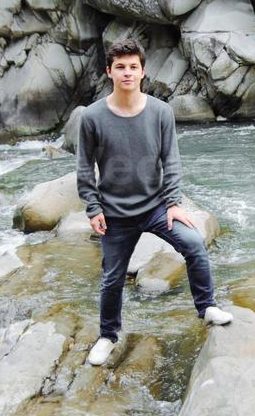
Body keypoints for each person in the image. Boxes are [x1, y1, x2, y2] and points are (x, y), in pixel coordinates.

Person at [76, 37, 233, 366]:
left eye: (133, 67)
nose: (127, 73)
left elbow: (171, 161)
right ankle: (107, 335)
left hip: (156, 208)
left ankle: (206, 308)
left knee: (193, 244)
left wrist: (173, 203)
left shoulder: (161, 112)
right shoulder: (92, 117)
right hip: (115, 214)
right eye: (121, 67)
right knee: (111, 278)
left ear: (143, 72)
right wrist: (93, 208)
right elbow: (84, 168)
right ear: (109, 72)